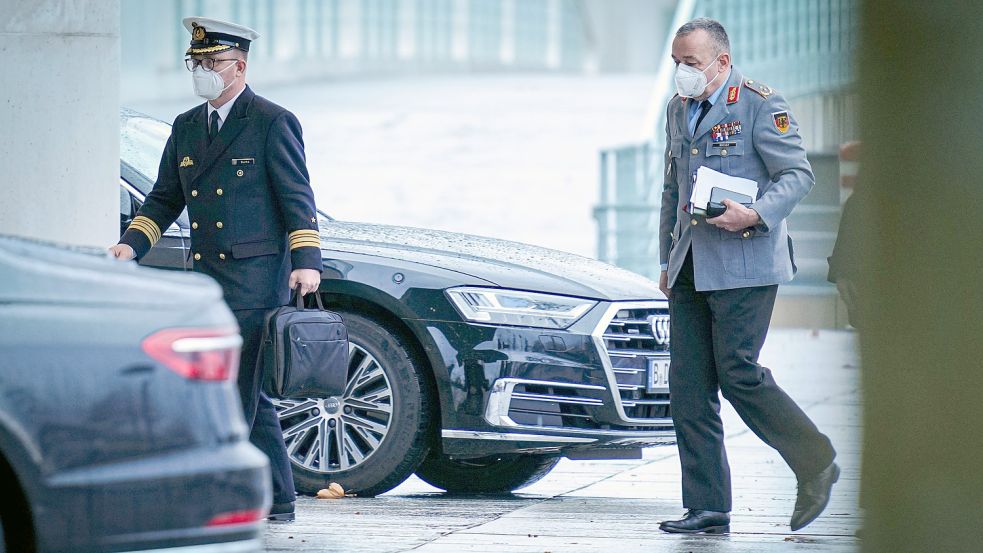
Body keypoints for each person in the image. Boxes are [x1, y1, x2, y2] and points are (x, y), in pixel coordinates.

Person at [109, 16, 322, 522]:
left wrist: (307, 263)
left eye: (212, 62)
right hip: (206, 282)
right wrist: (129, 246)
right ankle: (279, 499)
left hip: (255, 280)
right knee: (243, 391)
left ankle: (231, 495)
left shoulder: (272, 121)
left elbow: (298, 198)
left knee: (235, 388)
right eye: (196, 62)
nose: (202, 70)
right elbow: (163, 199)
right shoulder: (186, 126)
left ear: (239, 67)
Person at [656, 18, 839, 534]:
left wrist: (755, 213)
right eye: (675, 63)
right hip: (691, 261)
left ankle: (815, 460)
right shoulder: (678, 108)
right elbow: (672, 189)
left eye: (690, 64)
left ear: (721, 61)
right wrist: (665, 260)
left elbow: (798, 175)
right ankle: (707, 506)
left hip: (746, 261)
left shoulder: (760, 104)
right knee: (688, 387)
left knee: (737, 372)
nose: (681, 74)